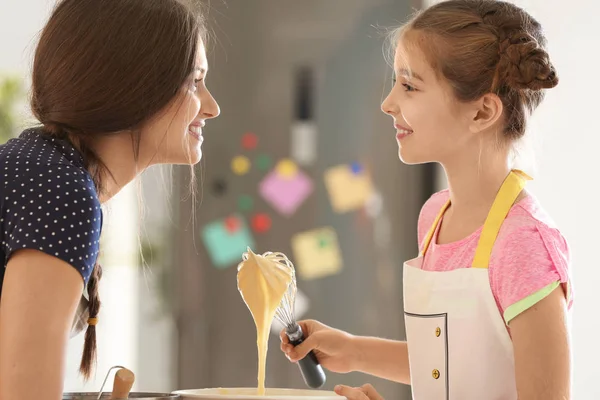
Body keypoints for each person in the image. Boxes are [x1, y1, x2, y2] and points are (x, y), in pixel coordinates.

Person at [281, 1, 571, 399]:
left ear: (482, 111)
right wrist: (353, 350)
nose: (388, 103)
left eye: (409, 86)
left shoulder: (524, 246)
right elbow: (450, 366)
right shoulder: (435, 215)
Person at [0, 0, 220, 398]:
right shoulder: (61, 191)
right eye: (195, 81)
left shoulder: (43, 168)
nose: (211, 107)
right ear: (136, 85)